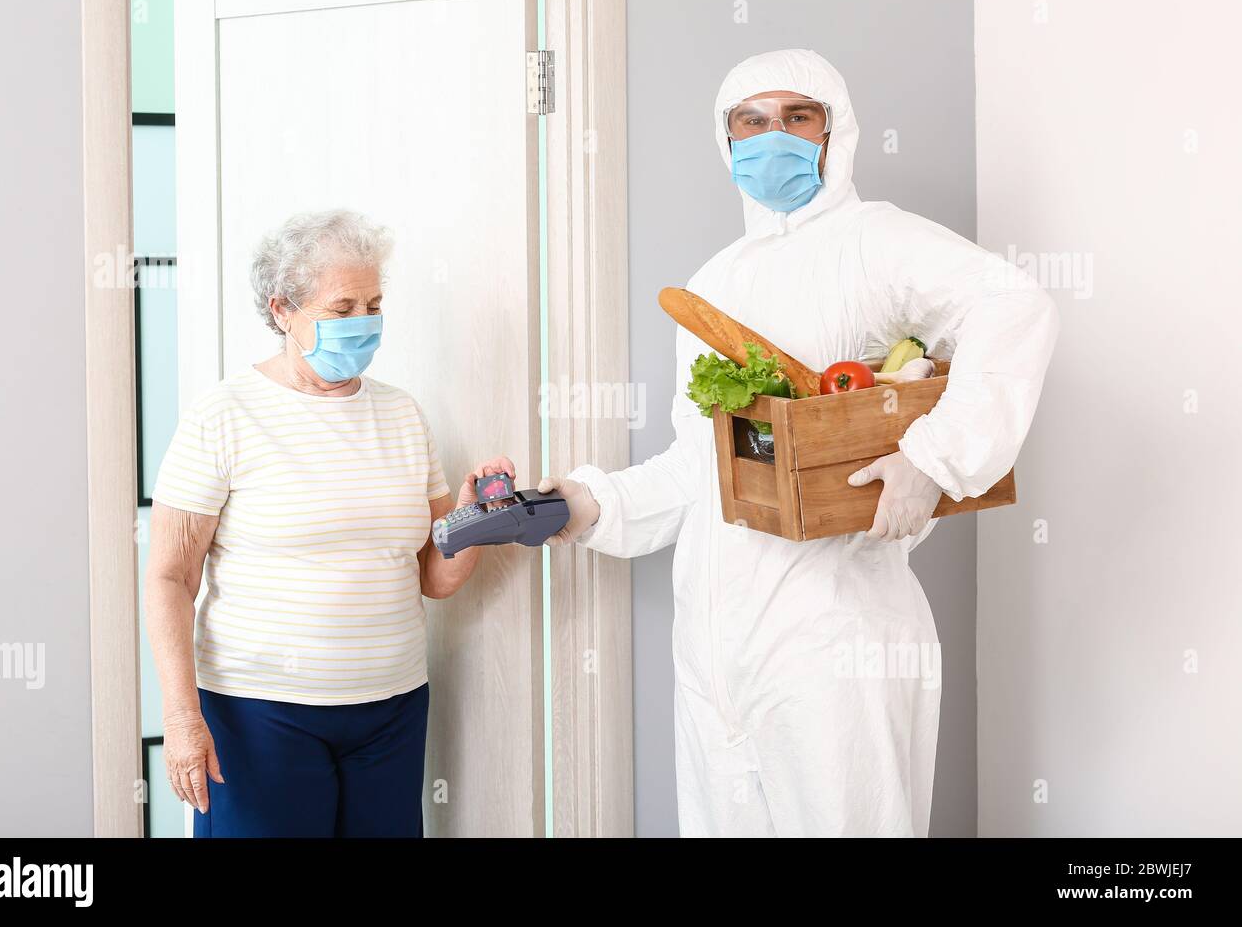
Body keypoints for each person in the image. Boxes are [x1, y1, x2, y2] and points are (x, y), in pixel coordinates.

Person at [539, 49, 1059, 836]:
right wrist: (589, 504)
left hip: (835, 640)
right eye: (751, 120)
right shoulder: (712, 283)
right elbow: (701, 465)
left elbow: (1012, 304)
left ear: (833, 131)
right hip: (717, 649)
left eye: (796, 116)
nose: (771, 135)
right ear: (726, 138)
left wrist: (932, 457)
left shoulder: (873, 241)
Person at [144, 209, 513, 837]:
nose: (363, 323)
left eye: (373, 304)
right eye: (342, 308)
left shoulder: (401, 414)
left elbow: (433, 576)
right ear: (282, 307)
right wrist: (181, 717)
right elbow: (169, 579)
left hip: (391, 709)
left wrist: (474, 520)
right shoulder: (224, 415)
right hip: (259, 715)